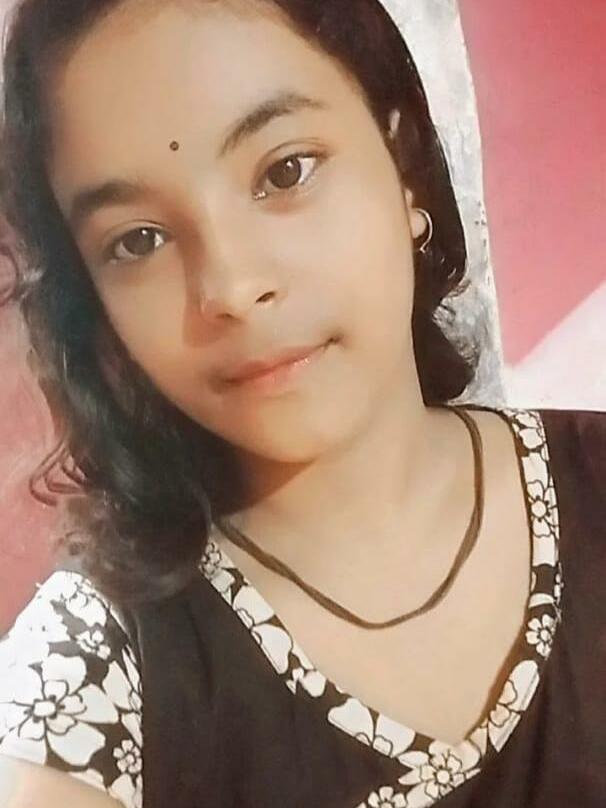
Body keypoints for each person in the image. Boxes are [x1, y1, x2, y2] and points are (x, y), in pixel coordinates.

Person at [0, 0, 604, 806]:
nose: (231, 287)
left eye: (285, 171)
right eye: (138, 240)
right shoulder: (91, 674)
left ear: (404, 163)